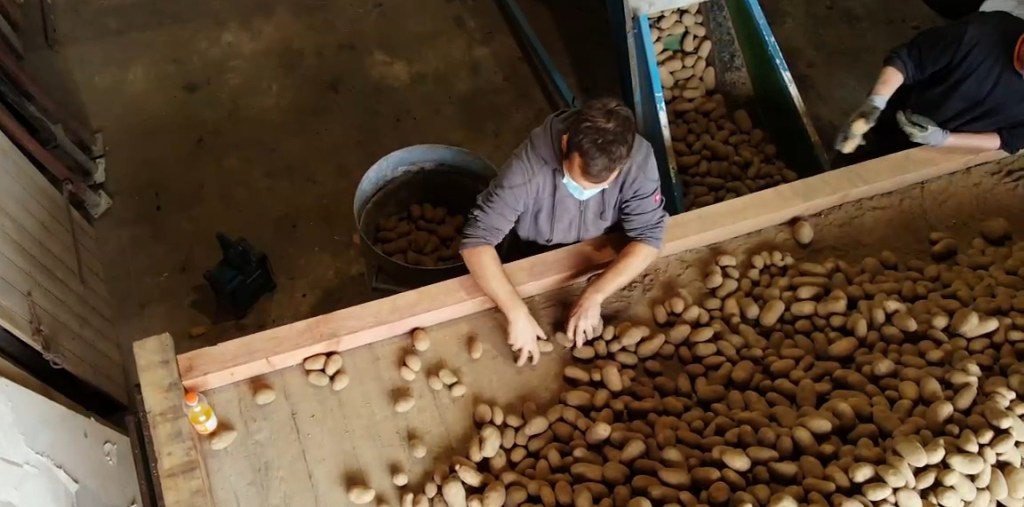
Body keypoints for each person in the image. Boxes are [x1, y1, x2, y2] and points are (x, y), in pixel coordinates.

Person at [459, 98, 666, 366]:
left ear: (621, 165)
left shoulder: (638, 162)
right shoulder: (529, 166)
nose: (586, 193)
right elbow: (475, 242)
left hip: (598, 247)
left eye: (599, 186)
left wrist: (596, 294)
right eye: (579, 182)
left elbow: (649, 237)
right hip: (533, 248)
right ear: (566, 143)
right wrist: (516, 312)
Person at [835, 10, 1024, 164]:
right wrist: (876, 101)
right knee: (850, 159)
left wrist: (943, 139)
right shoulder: (979, 33)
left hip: (945, 153)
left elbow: (1009, 139)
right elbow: (909, 60)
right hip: (892, 119)